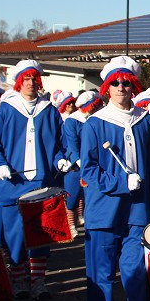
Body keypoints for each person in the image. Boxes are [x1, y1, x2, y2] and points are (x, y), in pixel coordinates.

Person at [80, 56, 150, 301]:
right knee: (101, 274)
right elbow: (88, 170)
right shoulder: (95, 123)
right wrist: (119, 181)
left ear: (134, 85)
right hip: (104, 212)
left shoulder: (145, 120)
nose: (121, 87)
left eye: (126, 82)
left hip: (138, 211)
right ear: (106, 86)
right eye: (115, 82)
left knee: (135, 271)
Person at [0, 59, 71, 301]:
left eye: (34, 79)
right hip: (12, 184)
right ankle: (19, 277)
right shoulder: (6, 110)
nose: (31, 83)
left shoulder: (49, 111)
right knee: (15, 236)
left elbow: (60, 145)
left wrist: (61, 160)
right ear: (18, 82)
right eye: (26, 79)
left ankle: (38, 281)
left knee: (41, 236)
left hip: (42, 183)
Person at [63, 90, 102, 231]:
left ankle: (88, 220)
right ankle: (71, 225)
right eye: (95, 106)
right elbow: (72, 145)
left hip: (93, 163)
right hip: (76, 165)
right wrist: (81, 162)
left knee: (89, 196)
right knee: (72, 196)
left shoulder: (95, 119)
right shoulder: (72, 121)